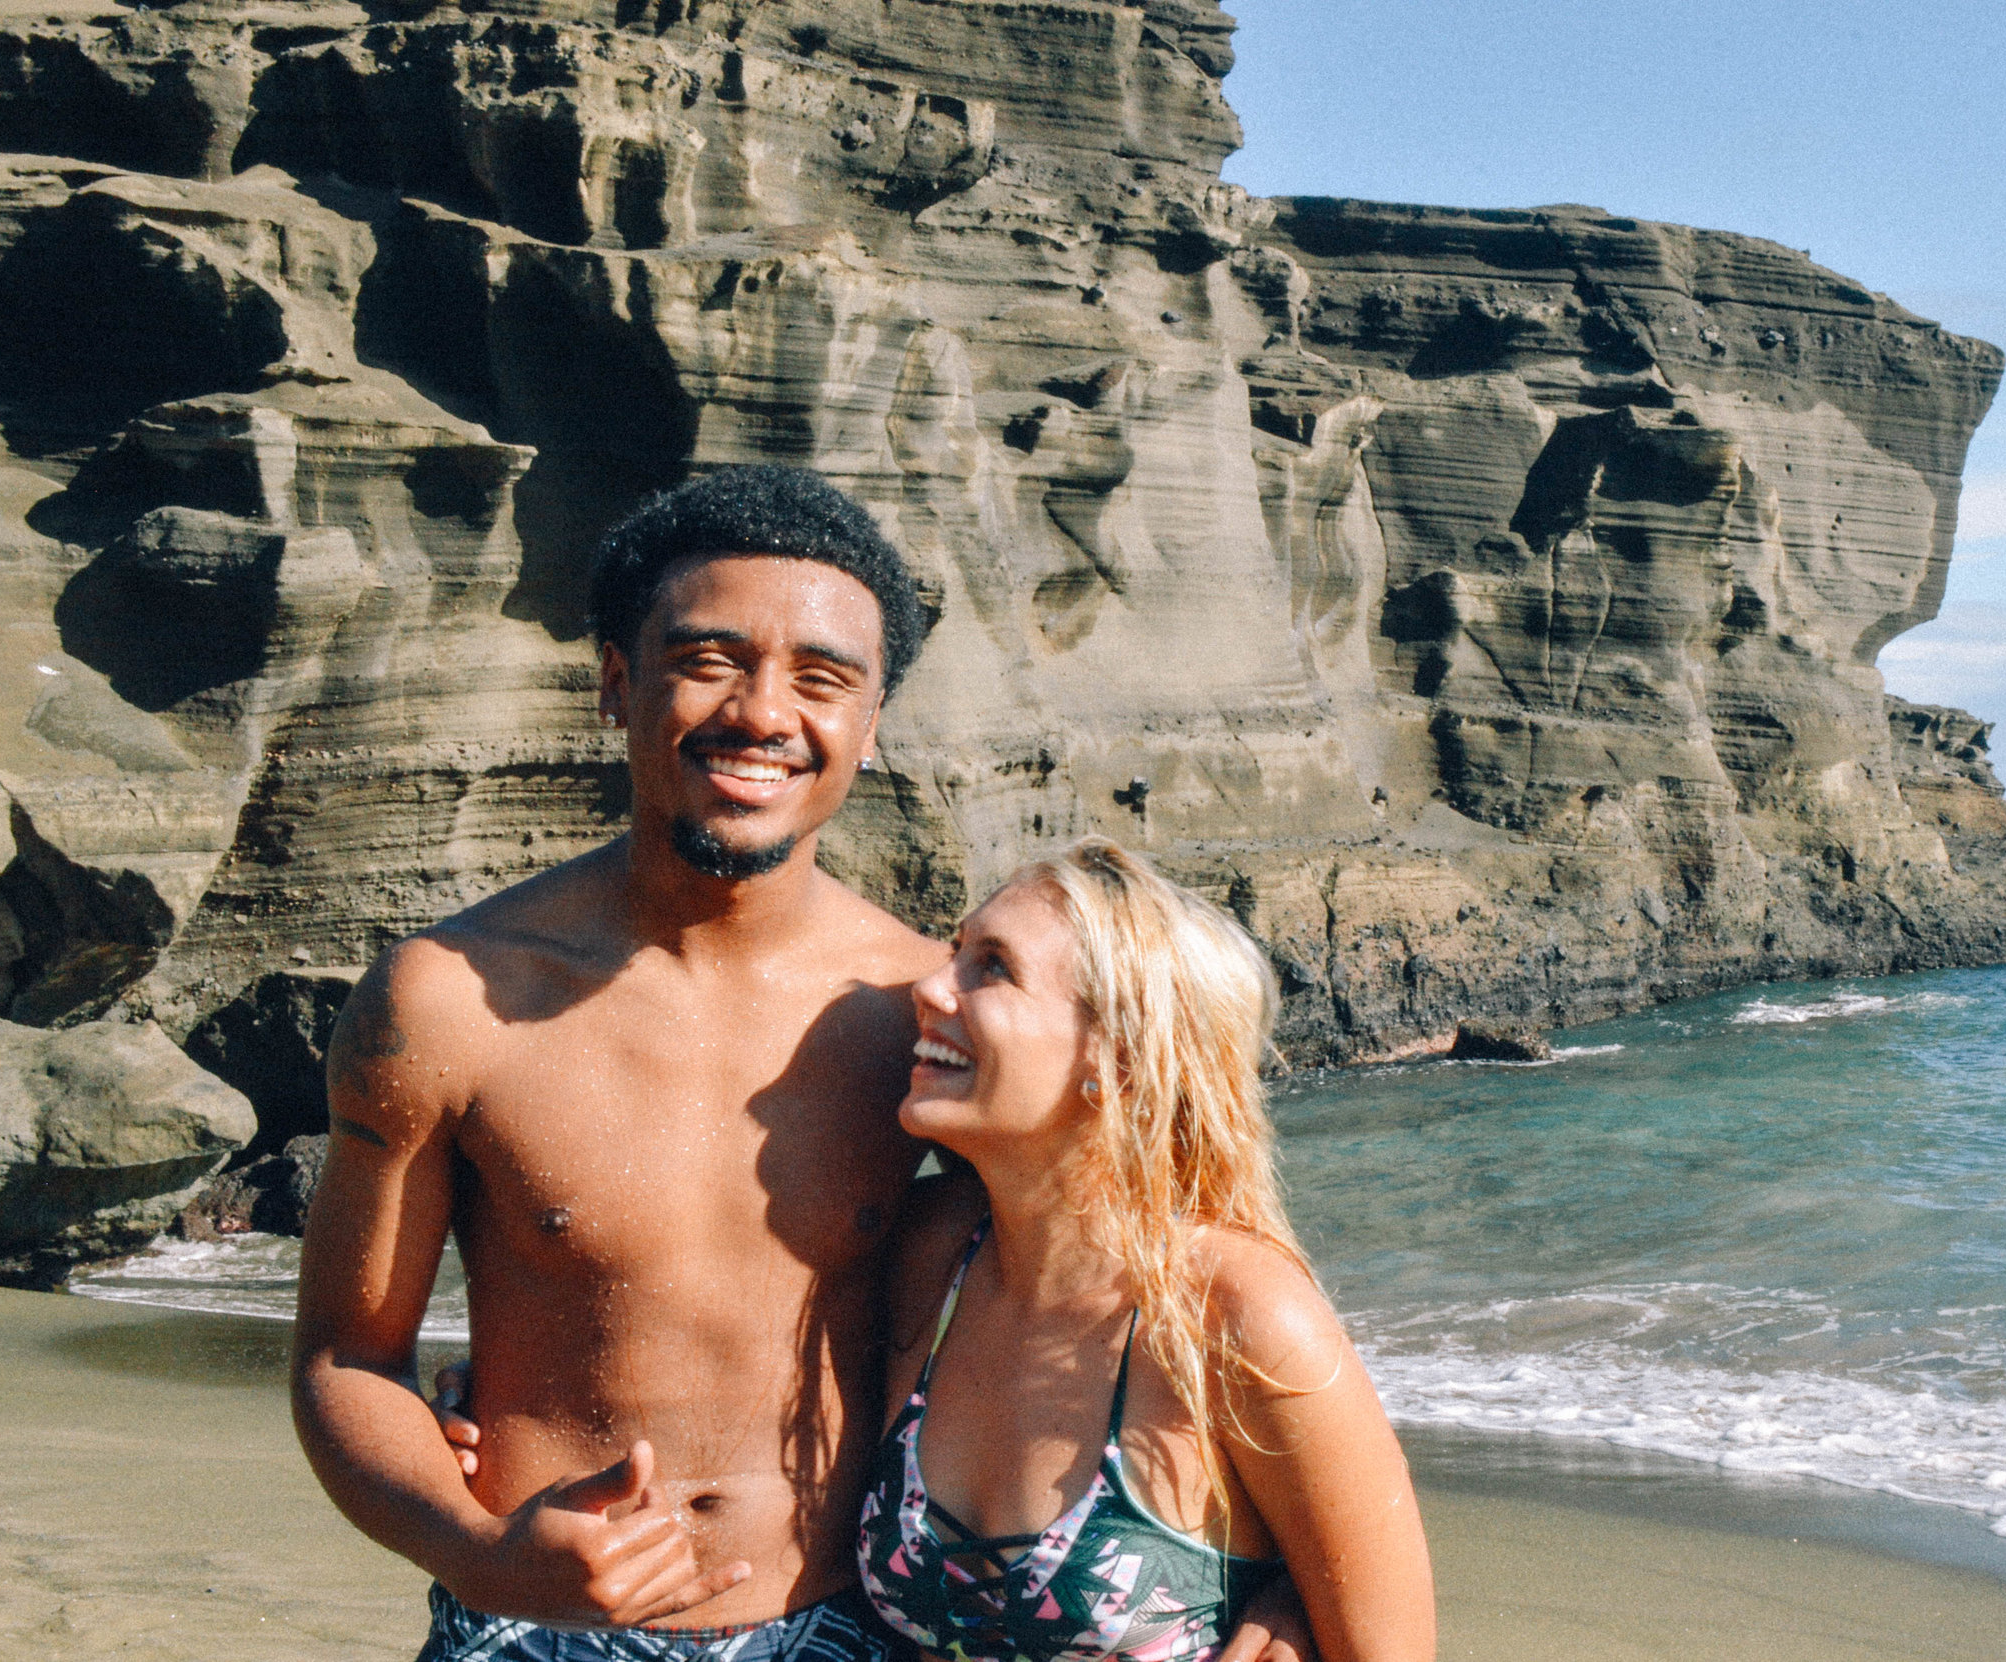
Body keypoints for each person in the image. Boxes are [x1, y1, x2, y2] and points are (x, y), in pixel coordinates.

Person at [296, 468, 1309, 1662]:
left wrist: (1284, 1596)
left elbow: (1156, 1289)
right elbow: (346, 1361)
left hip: (855, 1628)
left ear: (870, 729)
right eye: (709, 659)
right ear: (618, 683)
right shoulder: (448, 1001)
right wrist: (477, 1550)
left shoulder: (923, 1020)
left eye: (823, 680)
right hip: (529, 1629)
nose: (763, 713)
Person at [858, 838, 1436, 1662]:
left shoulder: (1238, 1318)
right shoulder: (930, 1254)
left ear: (1118, 1058)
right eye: (956, 951)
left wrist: (1297, 1611)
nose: (926, 986)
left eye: (992, 968)